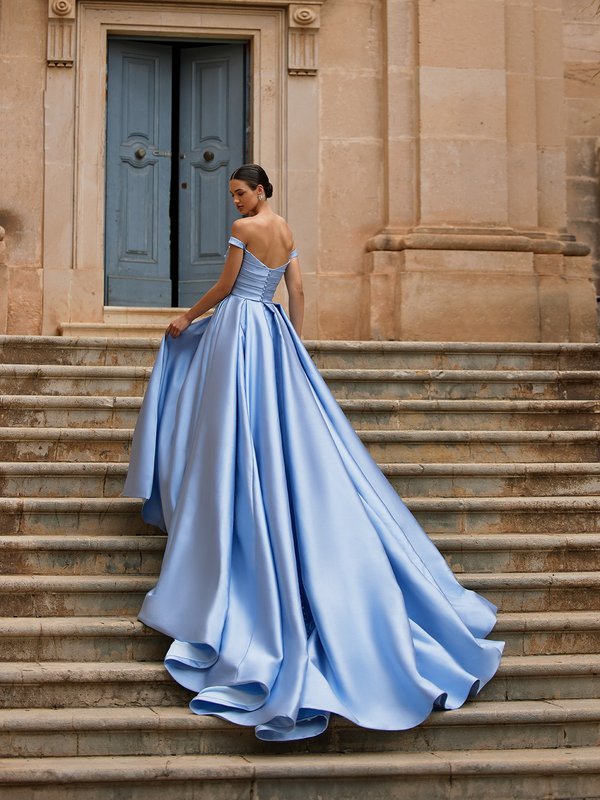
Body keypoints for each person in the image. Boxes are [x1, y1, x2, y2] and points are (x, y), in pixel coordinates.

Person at [123, 163, 504, 743]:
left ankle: (225, 499)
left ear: (260, 190)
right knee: (267, 421)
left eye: (242, 192)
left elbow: (227, 286)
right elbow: (296, 288)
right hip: (273, 328)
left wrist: (186, 316)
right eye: (234, 195)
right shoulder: (288, 230)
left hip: (240, 327)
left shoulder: (244, 229)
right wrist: (296, 342)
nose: (238, 201)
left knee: (228, 419)